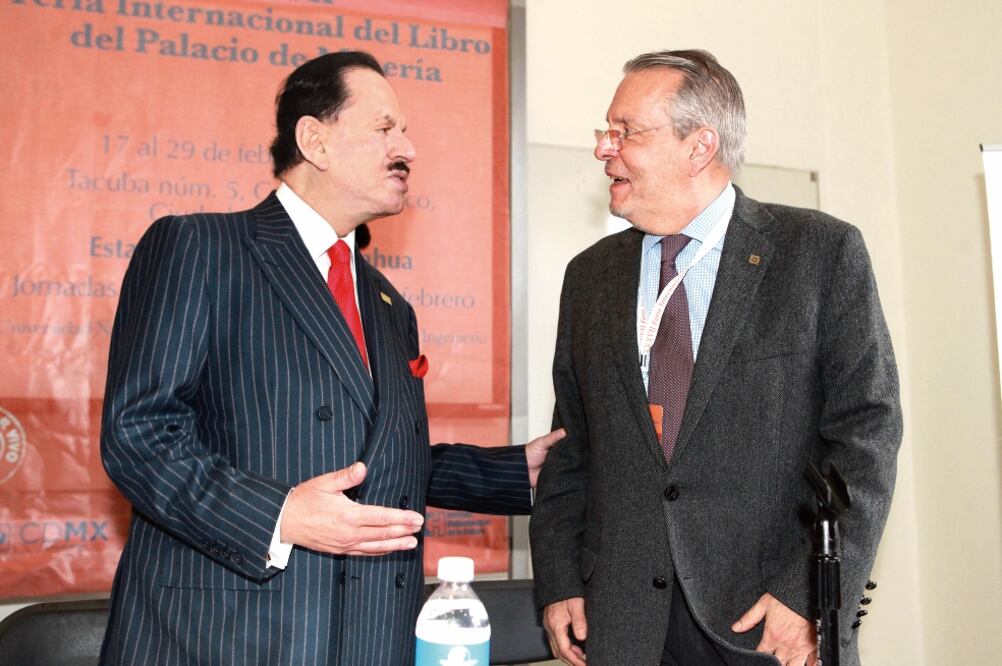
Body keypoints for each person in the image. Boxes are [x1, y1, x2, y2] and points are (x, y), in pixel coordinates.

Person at [99, 50, 563, 665]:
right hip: (225, 632)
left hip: (368, 635)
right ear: (315, 140)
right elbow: (138, 434)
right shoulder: (201, 247)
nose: (408, 149)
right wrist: (280, 515)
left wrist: (514, 473)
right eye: (385, 128)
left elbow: (367, 462)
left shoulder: (390, 304)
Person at [530, 49, 901, 666]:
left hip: (768, 621)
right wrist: (561, 579)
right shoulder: (590, 277)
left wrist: (807, 593)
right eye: (606, 131)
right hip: (621, 622)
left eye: (626, 132)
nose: (604, 149)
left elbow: (868, 439)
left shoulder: (820, 254)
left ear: (700, 145)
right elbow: (572, 446)